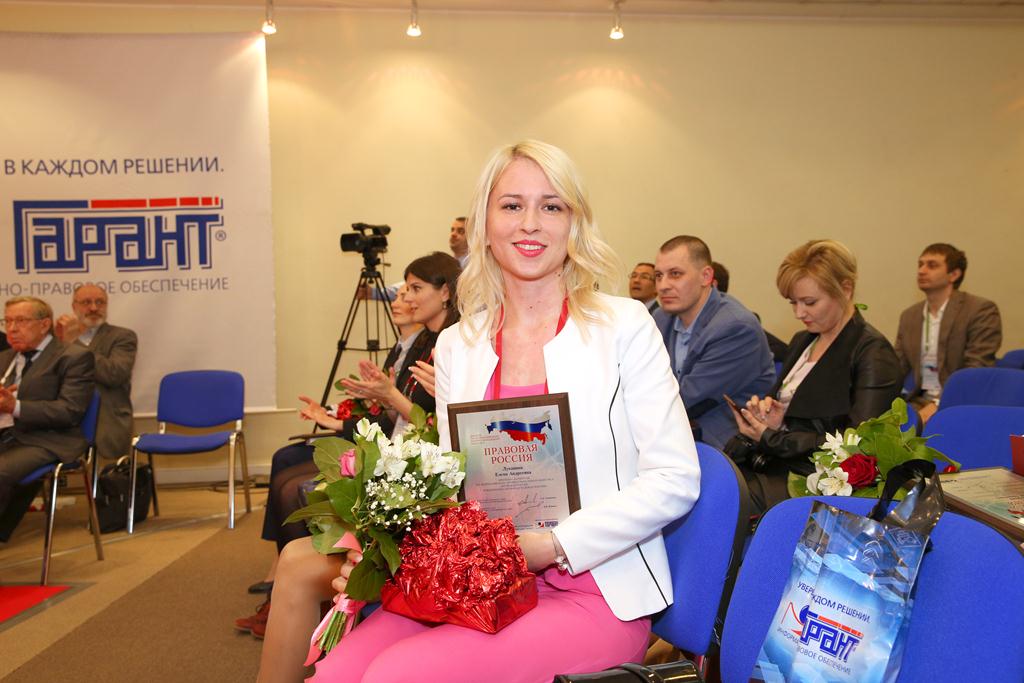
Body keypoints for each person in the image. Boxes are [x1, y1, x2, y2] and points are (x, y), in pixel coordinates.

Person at [307, 140, 701, 682]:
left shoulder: (624, 326)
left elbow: (675, 478)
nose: (530, 223)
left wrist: (553, 544)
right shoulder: (458, 345)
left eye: (551, 206)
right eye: (512, 205)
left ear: (574, 223)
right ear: (485, 223)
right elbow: (452, 490)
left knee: (397, 675)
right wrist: (378, 551)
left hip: (596, 588)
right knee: (335, 673)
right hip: (478, 584)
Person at [252, 255, 461, 677]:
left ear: (446, 293)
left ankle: (303, 606)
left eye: (415, 288)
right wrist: (367, 404)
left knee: (300, 494)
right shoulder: (431, 342)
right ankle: (295, 606)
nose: (405, 298)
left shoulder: (457, 344)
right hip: (403, 466)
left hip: (426, 485)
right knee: (295, 484)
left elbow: (437, 430)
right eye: (404, 288)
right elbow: (409, 421)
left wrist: (389, 397)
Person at [725, 240, 902, 514]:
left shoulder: (872, 352)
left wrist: (771, 437)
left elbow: (859, 443)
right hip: (779, 465)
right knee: (711, 484)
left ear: (845, 289)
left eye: (810, 302)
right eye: (793, 302)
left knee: (723, 499)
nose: (799, 313)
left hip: (818, 480)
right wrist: (770, 419)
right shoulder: (803, 340)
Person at [652, 236, 775, 450]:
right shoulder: (661, 318)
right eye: (658, 276)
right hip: (675, 432)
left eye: (675, 274)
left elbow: (687, 399)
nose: (663, 286)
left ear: (706, 276)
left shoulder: (735, 327)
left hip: (723, 444)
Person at [0, 296, 94, 541]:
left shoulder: (73, 357)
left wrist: (15, 406)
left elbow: (69, 411)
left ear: (44, 325)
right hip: (7, 435)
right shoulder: (5, 358)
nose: (12, 329)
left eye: (20, 321)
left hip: (47, 440)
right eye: (7, 321)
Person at [894, 243, 1002, 423]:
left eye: (932, 265)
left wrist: (937, 404)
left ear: (954, 274)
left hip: (963, 401)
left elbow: (975, 368)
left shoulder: (980, 310)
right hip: (919, 401)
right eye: (920, 264)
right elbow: (896, 368)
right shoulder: (909, 316)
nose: (922, 270)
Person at [54, 283, 137, 460]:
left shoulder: (122, 336)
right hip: (63, 418)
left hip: (106, 419)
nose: (93, 308)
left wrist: (74, 343)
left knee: (108, 472)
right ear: (74, 306)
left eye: (100, 302)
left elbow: (114, 375)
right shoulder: (57, 339)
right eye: (86, 302)